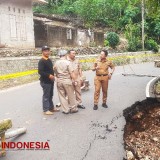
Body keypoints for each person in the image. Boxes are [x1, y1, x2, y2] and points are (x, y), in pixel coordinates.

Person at [54, 50, 78, 114]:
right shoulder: (68, 62)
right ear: (66, 55)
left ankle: (65, 110)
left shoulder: (56, 63)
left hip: (59, 81)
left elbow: (55, 72)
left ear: (59, 55)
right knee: (71, 95)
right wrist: (75, 80)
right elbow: (71, 73)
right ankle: (73, 108)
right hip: (67, 80)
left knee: (62, 96)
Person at [38, 46, 59, 115]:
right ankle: (46, 110)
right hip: (45, 81)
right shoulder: (42, 61)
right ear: (42, 52)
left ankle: (51, 108)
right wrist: (49, 75)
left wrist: (53, 72)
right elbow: (40, 71)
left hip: (50, 81)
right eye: (45, 51)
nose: (47, 52)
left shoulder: (48, 59)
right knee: (46, 96)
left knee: (50, 95)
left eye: (48, 51)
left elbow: (49, 69)